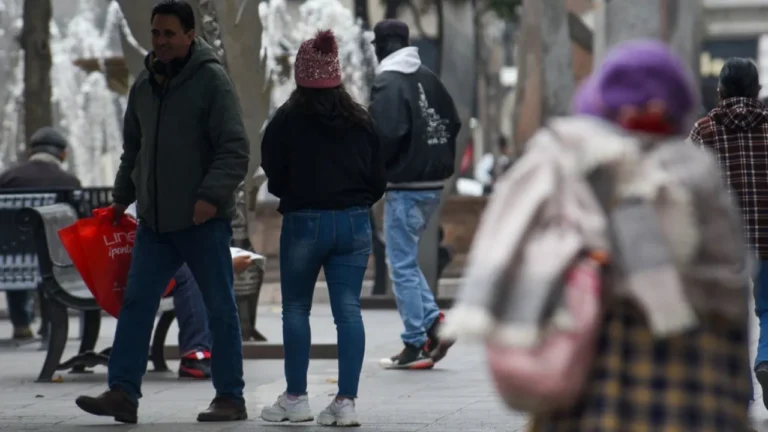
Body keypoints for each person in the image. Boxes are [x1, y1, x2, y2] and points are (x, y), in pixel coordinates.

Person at [448, 40, 752, 431]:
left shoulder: (564, 173)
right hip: (697, 406)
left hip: (589, 407)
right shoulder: (701, 182)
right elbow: (731, 313)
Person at [74, 0, 249, 424]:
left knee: (219, 307)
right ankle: (123, 393)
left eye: (170, 33)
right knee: (136, 304)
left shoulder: (211, 80)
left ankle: (230, 397)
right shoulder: (145, 83)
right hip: (154, 223)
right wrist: (120, 198)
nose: (161, 41)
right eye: (156, 33)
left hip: (201, 221)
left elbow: (235, 148)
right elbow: (132, 149)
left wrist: (209, 197)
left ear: (190, 35)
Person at [259, 30, 386, 427]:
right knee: (348, 311)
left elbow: (272, 172)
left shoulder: (285, 119)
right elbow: (378, 176)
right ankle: (344, 402)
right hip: (353, 221)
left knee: (295, 307)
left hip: (304, 222)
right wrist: (358, 199)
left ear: (301, 77)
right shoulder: (360, 119)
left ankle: (296, 399)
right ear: (337, 76)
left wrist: (294, 193)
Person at [368, 19, 461, 370]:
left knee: (401, 264)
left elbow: (385, 135)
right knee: (405, 260)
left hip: (405, 186)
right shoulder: (428, 77)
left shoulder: (388, 81)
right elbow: (453, 122)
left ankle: (415, 343)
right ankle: (435, 324)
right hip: (432, 185)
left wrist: (378, 172)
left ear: (383, 45)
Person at [688, 57, 768, 408]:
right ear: (758, 91)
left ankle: (739, 393)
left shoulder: (703, 130)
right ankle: (766, 360)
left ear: (719, 91)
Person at [124, 203, 254, 380]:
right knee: (195, 269)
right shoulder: (148, 197)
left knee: (201, 267)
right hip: (142, 263)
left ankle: (204, 352)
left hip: (168, 260)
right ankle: (196, 352)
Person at [0, 127, 81, 340]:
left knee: (16, 253)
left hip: (9, 261)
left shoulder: (7, 178)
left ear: (30, 152)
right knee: (47, 250)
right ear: (62, 154)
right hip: (56, 260)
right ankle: (49, 323)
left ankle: (21, 324)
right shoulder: (68, 182)